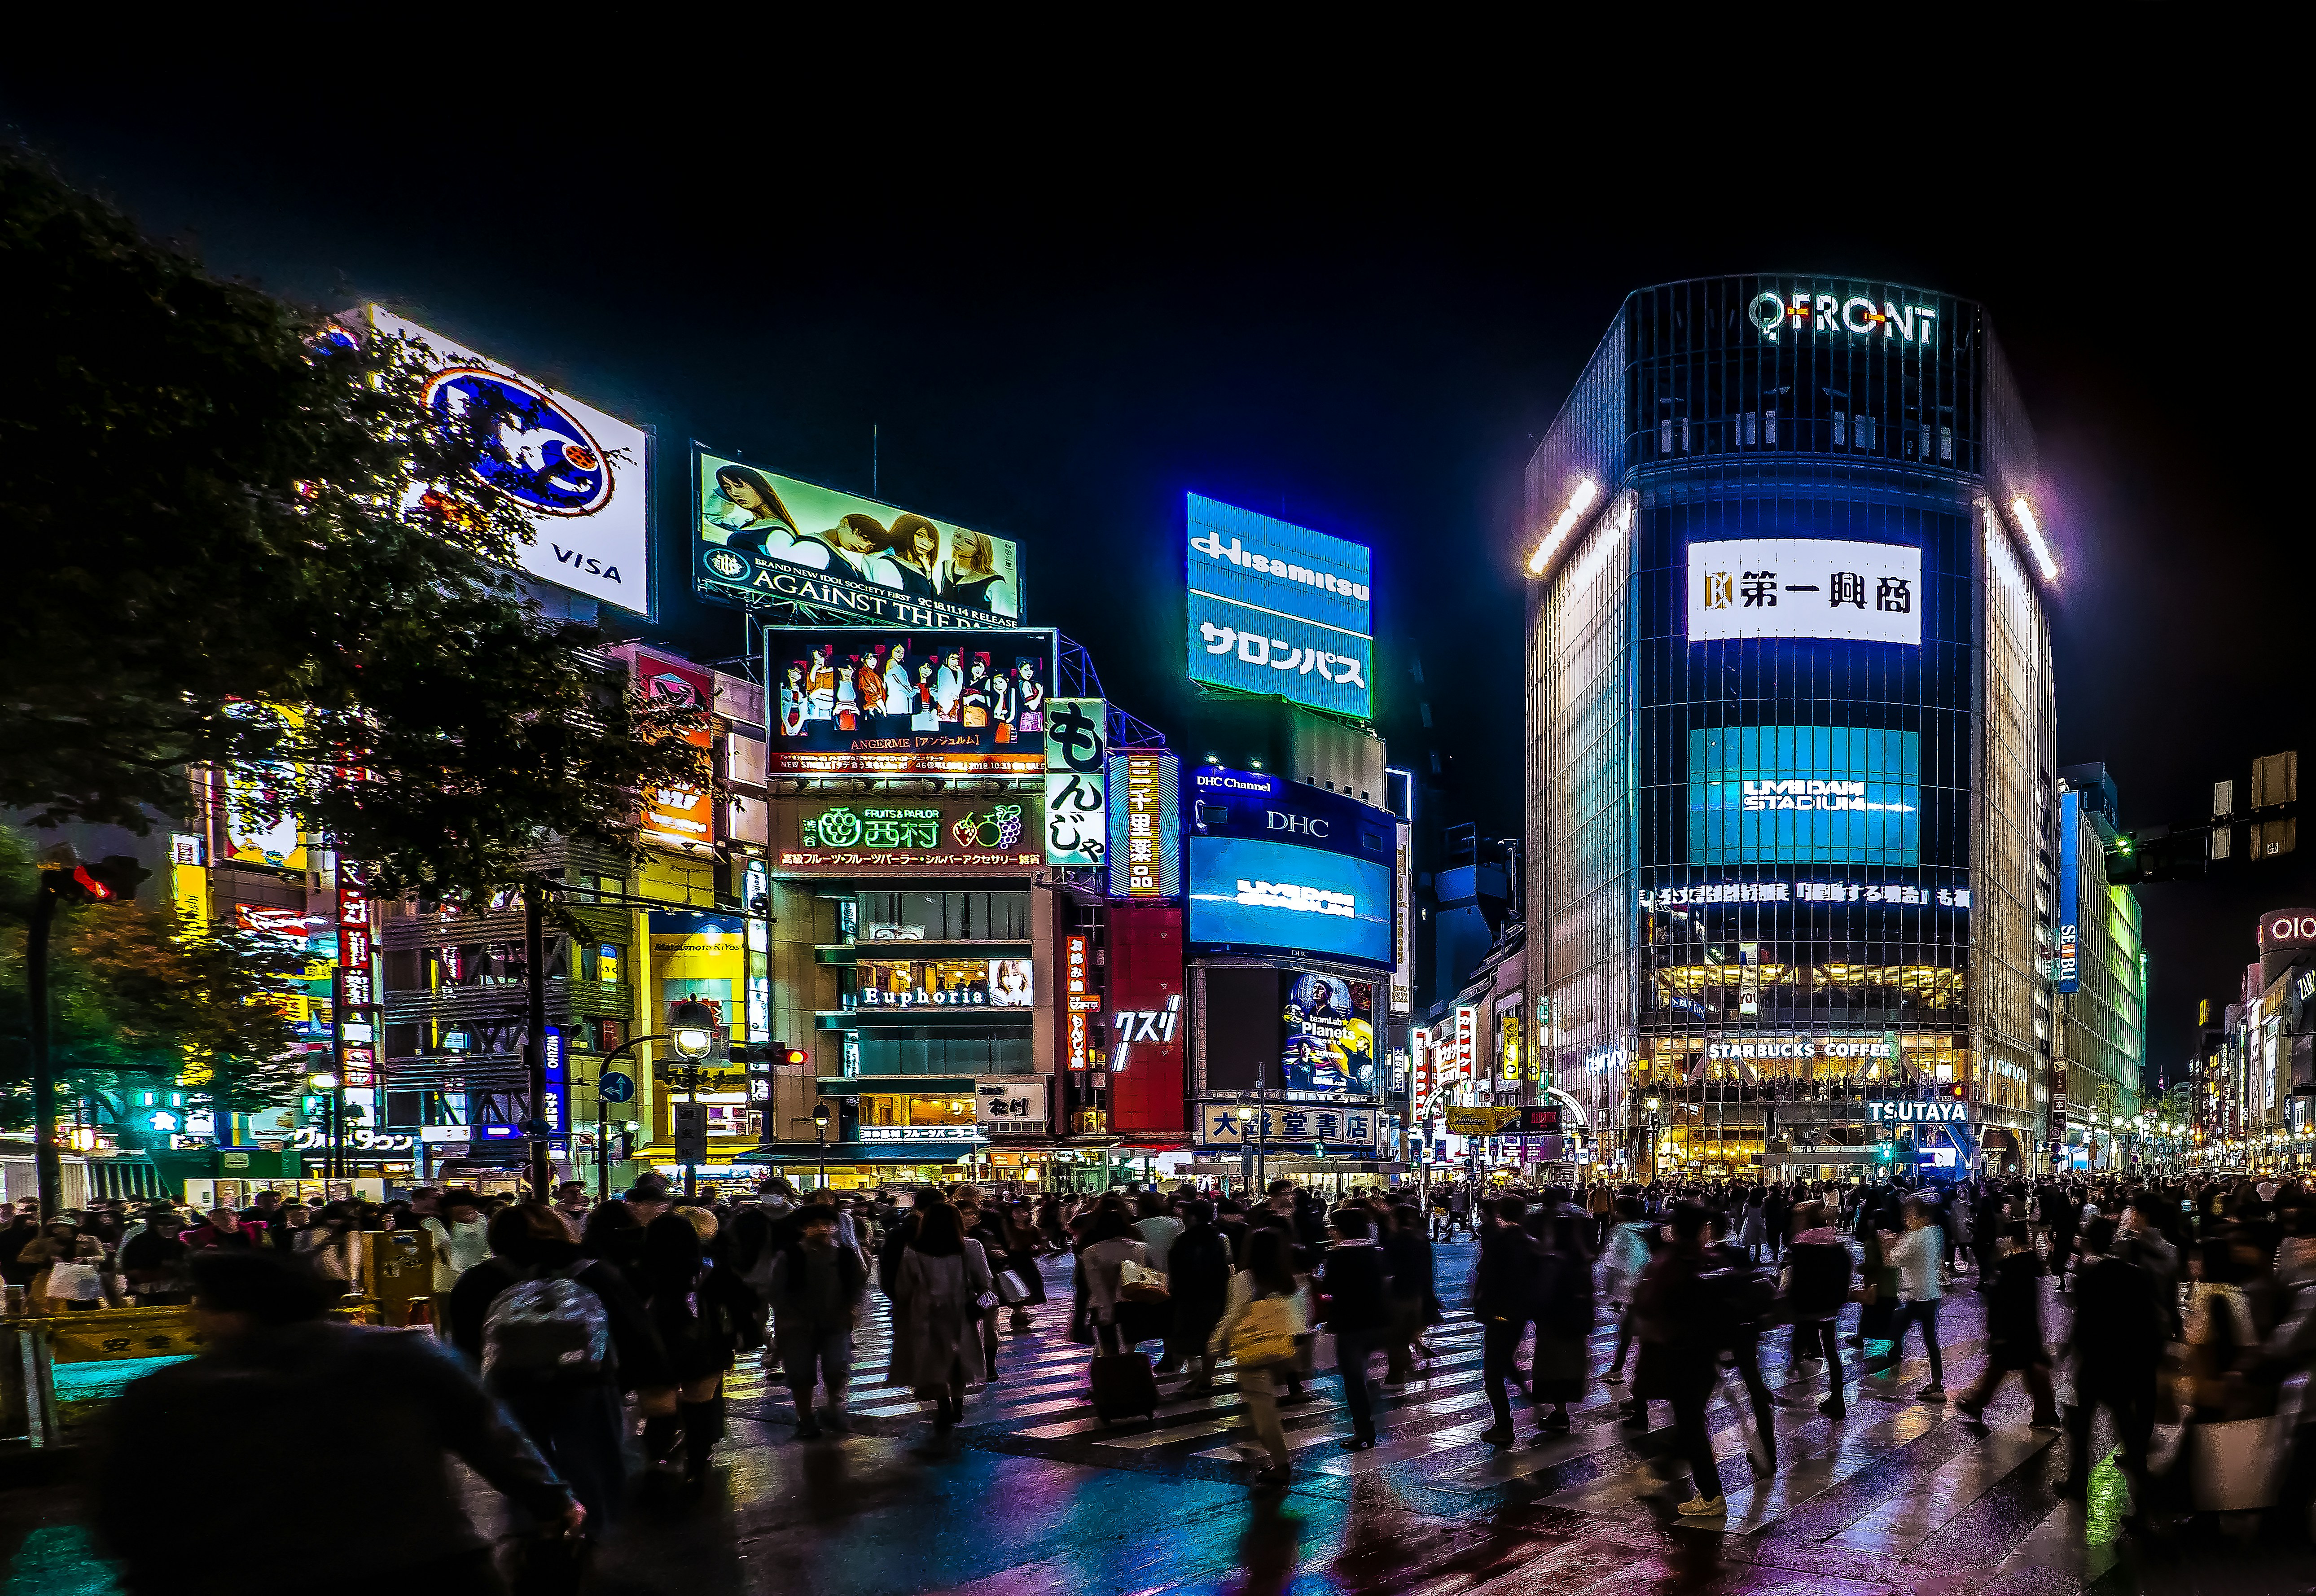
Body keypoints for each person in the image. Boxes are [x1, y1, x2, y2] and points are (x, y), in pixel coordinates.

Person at [92, 1250, 582, 1596]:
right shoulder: (401, 1354)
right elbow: (488, 1437)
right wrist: (552, 1502)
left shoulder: (169, 1391)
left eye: (202, 1304)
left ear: (232, 1316)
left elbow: (126, 1507)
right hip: (424, 1567)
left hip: (247, 1576)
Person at [448, 1201, 671, 1533]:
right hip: (587, 1382)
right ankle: (591, 1533)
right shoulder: (594, 1272)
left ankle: (537, 1527)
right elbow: (636, 1331)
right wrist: (655, 1385)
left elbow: (465, 1342)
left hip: (512, 1386)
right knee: (594, 1463)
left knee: (527, 1464)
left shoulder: (479, 1280)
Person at [637, 1210, 754, 1486]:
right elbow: (742, 1302)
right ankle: (697, 1464)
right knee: (700, 1406)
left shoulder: (637, 1272)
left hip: (653, 1350)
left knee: (660, 1410)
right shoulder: (710, 1268)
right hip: (704, 1346)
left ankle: (657, 1460)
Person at [1632, 1201, 1733, 1517]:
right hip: (1706, 1355)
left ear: (1675, 1229)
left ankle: (1711, 1495)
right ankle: (1668, 1468)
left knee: (1690, 1424)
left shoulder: (1671, 1263)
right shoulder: (1710, 1260)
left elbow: (1646, 1304)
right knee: (1690, 1420)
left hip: (1679, 1355)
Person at [1211, 1226, 1306, 1491]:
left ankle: (1280, 1463)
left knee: (1262, 1407)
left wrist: (1216, 1341)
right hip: (1282, 1347)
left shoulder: (1245, 1279)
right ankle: (1273, 1456)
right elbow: (1298, 1316)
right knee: (1262, 1403)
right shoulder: (1289, 1279)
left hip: (1254, 1349)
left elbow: (1234, 1314)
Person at [889, 1201, 993, 1428]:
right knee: (958, 1360)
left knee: (933, 1360)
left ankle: (943, 1404)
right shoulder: (971, 1247)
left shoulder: (913, 1250)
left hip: (925, 1314)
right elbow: (984, 1281)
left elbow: (903, 1288)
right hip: (961, 1311)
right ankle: (958, 1402)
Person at [768, 1204, 867, 1438]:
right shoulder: (790, 1256)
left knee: (837, 1368)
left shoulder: (845, 1255)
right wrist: (787, 1318)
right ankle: (806, 1418)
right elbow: (776, 1292)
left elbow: (856, 1285)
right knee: (801, 1373)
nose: (822, 1229)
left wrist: (852, 1310)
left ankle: (835, 1408)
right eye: (815, 1225)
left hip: (835, 1322)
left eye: (827, 1224)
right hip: (797, 1326)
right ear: (804, 1228)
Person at [1956, 1222, 2059, 1429]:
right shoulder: (2027, 1265)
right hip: (2025, 1328)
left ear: (2011, 1240)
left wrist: (1999, 1331)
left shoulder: (2014, 1268)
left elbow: (2007, 1302)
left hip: (2015, 1329)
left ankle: (1980, 1404)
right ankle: (2045, 1413)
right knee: (2019, 1367)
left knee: (2005, 1366)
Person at [1317, 1206, 1391, 1451]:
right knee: (1361, 1372)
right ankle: (1368, 1418)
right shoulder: (1375, 1251)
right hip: (1377, 1320)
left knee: (1353, 1377)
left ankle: (1363, 1429)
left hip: (1349, 1322)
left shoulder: (1340, 1255)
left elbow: (1330, 1287)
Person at [1780, 1200, 1854, 1417]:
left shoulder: (1801, 1247)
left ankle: (1795, 1363)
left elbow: (1796, 1280)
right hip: (1829, 1307)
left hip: (1806, 1306)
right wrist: (1839, 1299)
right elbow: (1846, 1270)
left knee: (1802, 1333)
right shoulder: (1835, 1244)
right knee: (1832, 1352)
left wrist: (1790, 1302)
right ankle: (1838, 1398)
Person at [1871, 1198, 1946, 1401]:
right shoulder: (1935, 1232)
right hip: (1931, 1294)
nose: (1906, 1218)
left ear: (1922, 1217)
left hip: (1916, 1296)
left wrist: (1885, 1243)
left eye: (1910, 1214)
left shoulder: (1915, 1239)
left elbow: (1891, 1260)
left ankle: (1883, 1365)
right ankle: (1937, 1385)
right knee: (1930, 1341)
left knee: (1892, 1329)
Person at [1166, 1200, 1233, 1394]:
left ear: (1193, 1217)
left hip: (1188, 1295)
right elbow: (1228, 1263)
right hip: (1215, 1293)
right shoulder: (1220, 1238)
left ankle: (1199, 1377)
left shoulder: (1182, 1240)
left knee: (1190, 1336)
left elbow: (1174, 1268)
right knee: (1210, 1335)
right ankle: (1204, 1377)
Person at [1381, 1204, 1439, 1384]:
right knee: (1405, 1336)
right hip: (1417, 1296)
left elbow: (1387, 1270)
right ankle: (1399, 1373)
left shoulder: (1395, 1241)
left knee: (1397, 1339)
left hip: (1398, 1294)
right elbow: (1428, 1273)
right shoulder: (1421, 1240)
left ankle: (1396, 1376)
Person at [1599, 1196, 1653, 1385]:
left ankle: (1620, 1371)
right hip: (1646, 1285)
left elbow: (1611, 1261)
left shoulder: (1620, 1231)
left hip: (1633, 1288)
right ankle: (1620, 1370)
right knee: (1632, 1331)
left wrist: (1609, 1289)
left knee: (1630, 1331)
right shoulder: (1647, 1228)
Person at [422, 1190, 491, 1307]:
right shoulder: (433, 1224)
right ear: (449, 1211)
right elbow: (443, 1251)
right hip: (447, 1285)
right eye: (463, 1211)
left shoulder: (484, 1221)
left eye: (471, 1210)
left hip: (482, 1280)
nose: (470, 1214)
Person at [119, 1208, 192, 1304]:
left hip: (175, 1292)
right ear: (154, 1226)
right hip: (146, 1292)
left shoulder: (180, 1245)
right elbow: (132, 1271)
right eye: (162, 1224)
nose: (168, 1228)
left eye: (172, 1224)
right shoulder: (140, 1243)